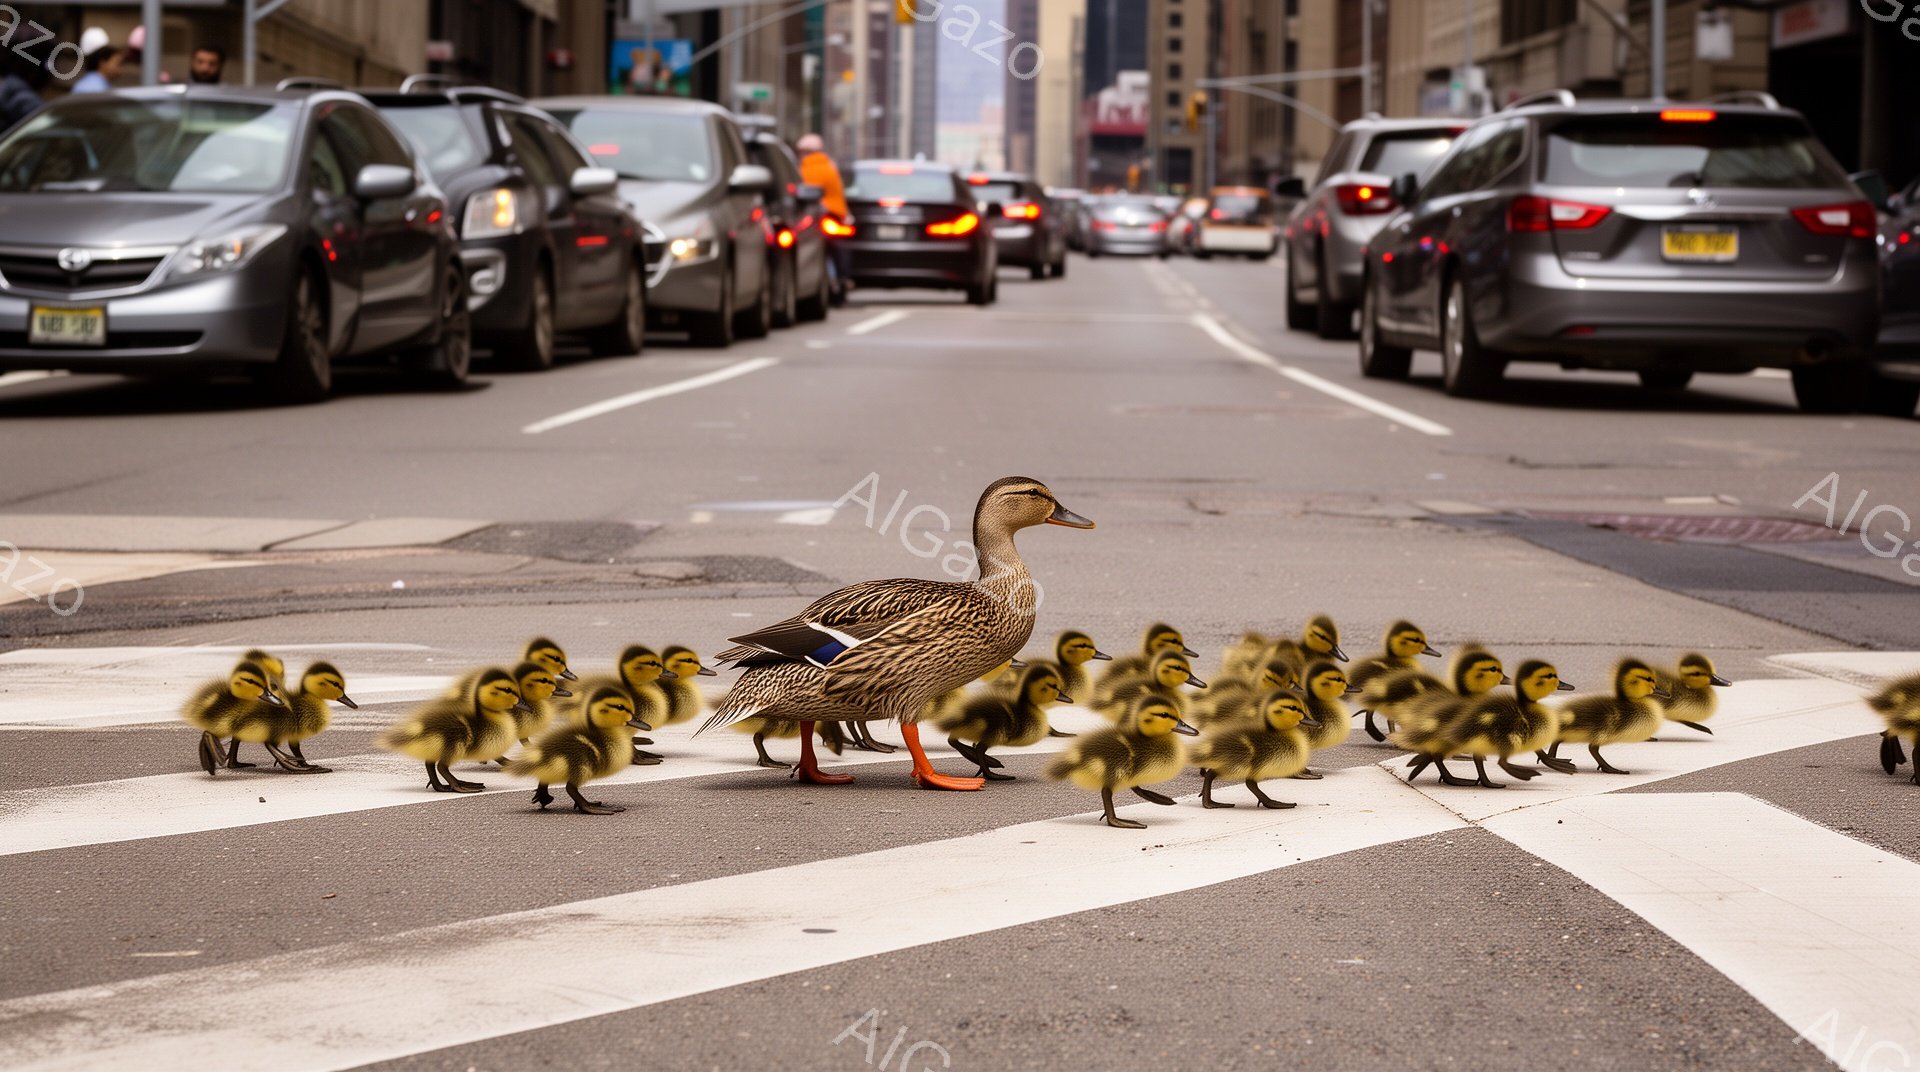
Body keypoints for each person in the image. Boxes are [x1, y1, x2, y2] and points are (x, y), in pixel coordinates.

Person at [796, 134, 850, 295]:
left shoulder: (807, 168)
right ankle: (843, 279)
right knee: (837, 249)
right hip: (837, 215)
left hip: (820, 217)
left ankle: (832, 282)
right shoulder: (830, 166)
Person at [71, 29, 123, 94]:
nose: (120, 69)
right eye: (118, 63)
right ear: (102, 62)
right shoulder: (96, 90)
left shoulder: (84, 85)